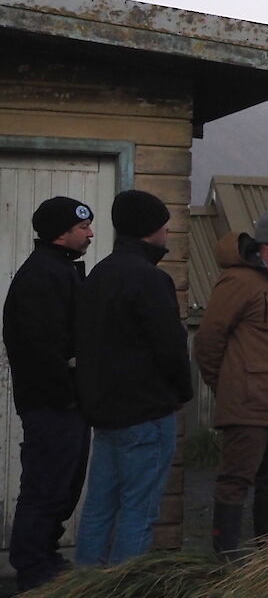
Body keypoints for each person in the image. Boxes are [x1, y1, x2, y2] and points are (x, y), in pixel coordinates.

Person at [73, 189, 193, 565]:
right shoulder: (150, 279)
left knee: (99, 509)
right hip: (146, 414)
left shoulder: (98, 275)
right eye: (165, 226)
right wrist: (181, 392)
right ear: (152, 230)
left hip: (106, 414)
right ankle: (124, 587)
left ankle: (86, 588)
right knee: (138, 512)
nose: (168, 233)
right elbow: (171, 347)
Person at [193, 209, 268, 559]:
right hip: (250, 406)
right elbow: (208, 342)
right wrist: (228, 387)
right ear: (265, 245)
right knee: (236, 482)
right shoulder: (238, 282)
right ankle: (226, 560)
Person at [3, 197, 95, 589]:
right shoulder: (42, 276)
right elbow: (43, 348)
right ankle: (33, 567)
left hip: (66, 404)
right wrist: (68, 391)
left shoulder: (61, 271)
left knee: (63, 486)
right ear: (62, 231)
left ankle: (45, 557)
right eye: (83, 228)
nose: (90, 233)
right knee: (46, 487)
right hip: (52, 405)